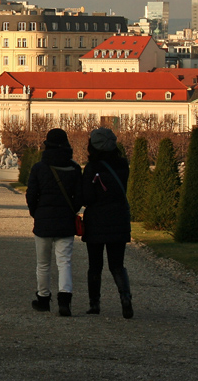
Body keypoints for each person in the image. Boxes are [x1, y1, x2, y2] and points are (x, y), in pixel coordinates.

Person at [26, 128, 82, 316]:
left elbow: (31, 195)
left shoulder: (39, 167)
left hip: (43, 221)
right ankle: (65, 301)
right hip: (65, 221)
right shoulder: (74, 168)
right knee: (64, 262)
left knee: (43, 264)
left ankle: (43, 299)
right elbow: (79, 195)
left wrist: (36, 213)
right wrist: (71, 210)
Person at [81, 127, 133, 318]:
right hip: (119, 217)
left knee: (95, 265)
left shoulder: (92, 167)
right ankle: (125, 297)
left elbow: (86, 197)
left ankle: (95, 304)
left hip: (96, 220)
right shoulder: (123, 164)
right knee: (117, 264)